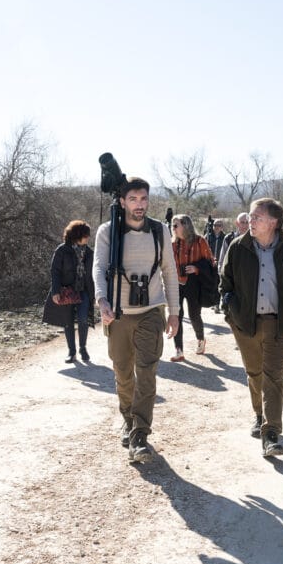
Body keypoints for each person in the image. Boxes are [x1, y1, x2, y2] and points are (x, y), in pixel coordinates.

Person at [94, 176, 180, 463]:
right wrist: (102, 300)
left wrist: (174, 312)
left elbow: (169, 271)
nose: (139, 204)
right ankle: (128, 418)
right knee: (123, 373)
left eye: (143, 199)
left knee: (146, 372)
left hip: (151, 311)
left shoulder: (159, 230)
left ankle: (140, 435)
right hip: (118, 314)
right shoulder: (108, 231)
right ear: (122, 202)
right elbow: (99, 268)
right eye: (133, 199)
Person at [219, 197, 283, 457]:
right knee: (254, 372)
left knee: (273, 375)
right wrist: (231, 313)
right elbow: (225, 282)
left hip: (281, 324)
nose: (250, 221)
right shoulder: (238, 247)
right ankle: (259, 414)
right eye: (250, 216)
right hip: (245, 323)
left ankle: (270, 433)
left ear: (273, 222)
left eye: (256, 217)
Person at [42, 220, 95, 362]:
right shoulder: (62, 250)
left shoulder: (90, 252)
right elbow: (55, 271)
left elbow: (94, 274)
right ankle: (72, 352)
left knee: (83, 319)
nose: (88, 237)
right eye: (86, 235)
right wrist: (55, 291)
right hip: (66, 291)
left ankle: (83, 348)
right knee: (68, 321)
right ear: (77, 235)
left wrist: (96, 294)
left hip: (84, 291)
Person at [169, 214, 215, 361]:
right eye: (172, 225)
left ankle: (200, 339)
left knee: (194, 314)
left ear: (185, 226)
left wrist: (197, 268)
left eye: (176, 225)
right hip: (175, 283)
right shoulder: (172, 244)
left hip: (194, 282)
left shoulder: (200, 241)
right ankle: (179, 350)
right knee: (177, 315)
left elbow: (211, 262)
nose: (173, 228)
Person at [206, 218, 228, 313]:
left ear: (222, 227)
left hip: (221, 264)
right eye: (215, 225)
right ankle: (214, 303)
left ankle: (218, 304)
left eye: (219, 225)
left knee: (219, 284)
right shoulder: (208, 236)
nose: (216, 227)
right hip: (210, 264)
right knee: (212, 284)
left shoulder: (226, 238)